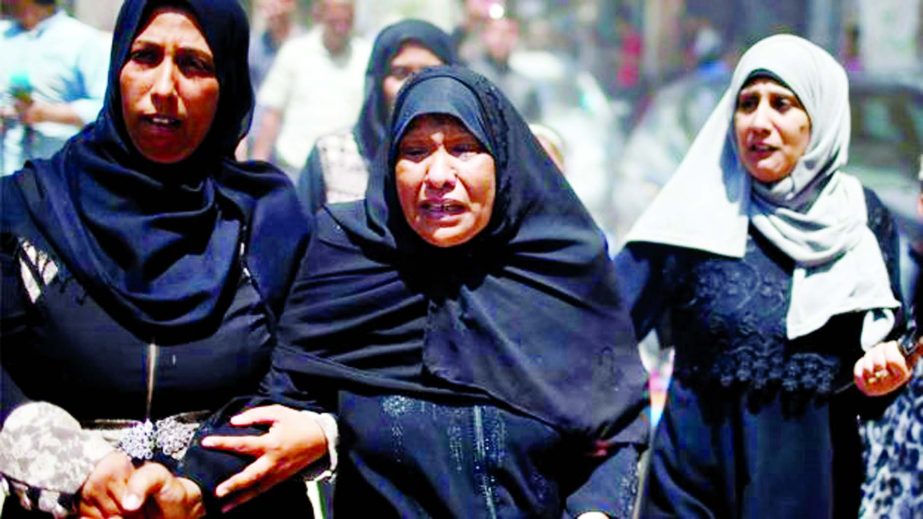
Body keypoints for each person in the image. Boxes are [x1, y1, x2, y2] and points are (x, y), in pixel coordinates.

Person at [181, 66, 649, 517]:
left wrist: (595, 513)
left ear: (504, 162)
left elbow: (611, 433)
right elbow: (281, 407)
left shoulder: (556, 275)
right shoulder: (350, 263)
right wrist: (184, 485)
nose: (438, 174)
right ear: (389, 166)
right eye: (416, 151)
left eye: (464, 148)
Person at [0, 0, 316, 517]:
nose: (165, 87)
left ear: (230, 83)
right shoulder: (27, 209)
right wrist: (70, 464)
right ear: (117, 67)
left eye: (194, 65)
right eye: (145, 57)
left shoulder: (268, 220)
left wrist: (198, 483)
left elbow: (303, 374)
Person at [615, 34, 911, 517]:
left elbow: (880, 357)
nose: (760, 122)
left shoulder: (861, 219)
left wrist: (882, 377)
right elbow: (602, 324)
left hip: (809, 484)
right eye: (747, 103)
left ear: (819, 116)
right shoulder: (696, 213)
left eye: (782, 103)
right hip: (694, 486)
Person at [296, 18, 457, 216]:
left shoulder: (469, 157)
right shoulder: (332, 155)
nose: (414, 85)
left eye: (429, 73)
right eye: (401, 73)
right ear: (379, 81)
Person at [250, 0, 370, 179]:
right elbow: (272, 116)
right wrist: (257, 170)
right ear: (320, 15)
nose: (340, 25)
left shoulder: (366, 56)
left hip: (347, 173)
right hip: (295, 169)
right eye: (334, 19)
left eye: (346, 19)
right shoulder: (294, 52)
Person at [0, 0, 109, 176]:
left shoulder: (84, 41)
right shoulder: (3, 37)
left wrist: (48, 114)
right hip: (7, 178)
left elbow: (106, 108)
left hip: (59, 178)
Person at [468, 10, 541, 122]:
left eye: (509, 32)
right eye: (495, 31)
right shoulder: (468, 77)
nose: (501, 38)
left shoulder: (525, 87)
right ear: (484, 35)